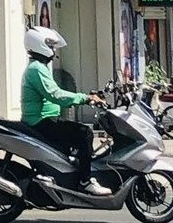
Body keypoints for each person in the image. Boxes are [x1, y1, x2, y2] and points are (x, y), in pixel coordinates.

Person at [21, 26, 111, 196]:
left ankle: (72, 175)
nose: (54, 50)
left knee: (76, 137)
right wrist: (84, 98)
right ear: (40, 45)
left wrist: (88, 96)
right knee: (85, 133)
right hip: (41, 122)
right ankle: (85, 181)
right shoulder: (37, 69)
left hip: (44, 120)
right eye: (51, 46)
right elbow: (56, 95)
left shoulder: (38, 67)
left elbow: (55, 93)